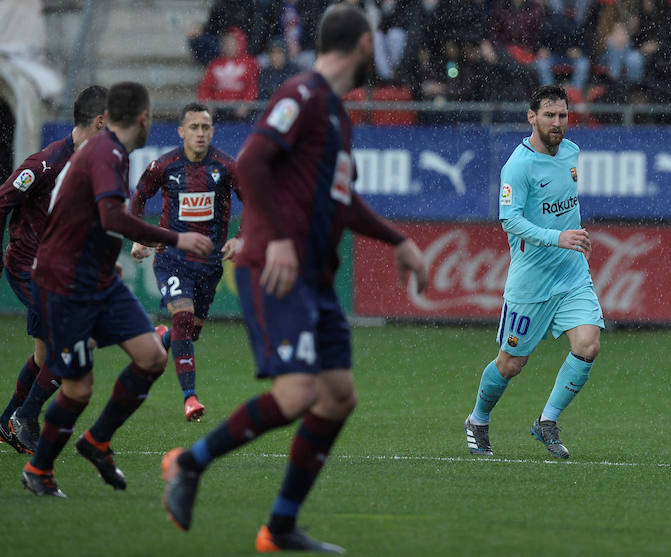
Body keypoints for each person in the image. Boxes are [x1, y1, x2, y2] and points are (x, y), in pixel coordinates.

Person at [161, 5, 428, 553]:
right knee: (300, 391)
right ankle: (187, 463)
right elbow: (253, 162)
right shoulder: (300, 96)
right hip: (276, 267)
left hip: (315, 278)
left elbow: (340, 199)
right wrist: (278, 237)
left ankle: (280, 525)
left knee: (337, 397)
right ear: (361, 46)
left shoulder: (337, 115)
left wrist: (395, 239)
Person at [20, 82, 215, 497]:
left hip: (99, 280)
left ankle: (97, 442)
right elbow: (111, 215)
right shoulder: (105, 153)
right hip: (65, 283)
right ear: (144, 118)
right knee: (79, 387)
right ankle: (38, 469)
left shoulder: (112, 152)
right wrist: (175, 237)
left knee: (151, 357)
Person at [464, 85, 603, 460]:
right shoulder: (518, 166)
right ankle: (478, 419)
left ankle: (547, 421)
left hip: (572, 274)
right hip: (531, 283)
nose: (557, 123)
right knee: (511, 364)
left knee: (588, 344)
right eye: (549, 115)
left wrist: (569, 239)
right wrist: (558, 237)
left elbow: (559, 204)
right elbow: (509, 221)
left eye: (562, 116)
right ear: (531, 117)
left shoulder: (572, 152)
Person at [0, 85, 108, 455]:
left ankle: (8, 421)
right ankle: (26, 417)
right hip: (30, 268)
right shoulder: (46, 163)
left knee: (44, 355)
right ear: (100, 122)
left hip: (60, 271)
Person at [130, 102, 241, 421]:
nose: (200, 133)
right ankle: (190, 399)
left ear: (212, 132)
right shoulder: (164, 166)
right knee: (183, 319)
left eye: (206, 127)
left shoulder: (226, 166)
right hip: (171, 258)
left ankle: (162, 338)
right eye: (194, 127)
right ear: (181, 132)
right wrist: (137, 237)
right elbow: (139, 197)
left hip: (209, 263)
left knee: (188, 333)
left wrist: (241, 237)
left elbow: (255, 201)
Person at [197, 27, 261, 121]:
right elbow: (205, 87)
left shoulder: (249, 63)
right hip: (218, 110)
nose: (228, 46)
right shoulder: (215, 63)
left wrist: (247, 103)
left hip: (240, 111)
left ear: (240, 43)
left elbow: (252, 87)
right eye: (226, 43)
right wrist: (208, 102)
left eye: (232, 43)